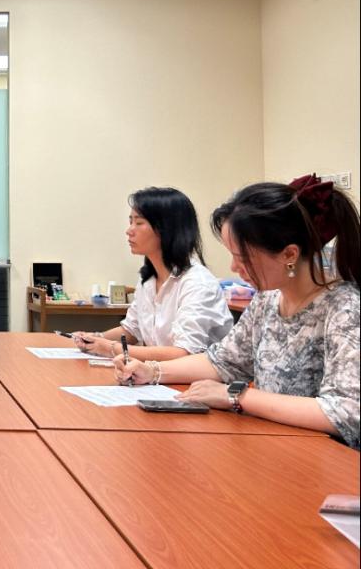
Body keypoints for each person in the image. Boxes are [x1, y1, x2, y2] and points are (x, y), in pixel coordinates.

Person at [115, 175, 360, 449]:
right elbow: (224, 361)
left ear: (289, 255)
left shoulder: (345, 308)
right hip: (276, 446)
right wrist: (152, 371)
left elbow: (346, 412)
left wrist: (236, 396)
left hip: (326, 459)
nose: (234, 267)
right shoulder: (268, 300)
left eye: (242, 257)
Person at [73, 187, 231, 361]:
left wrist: (111, 348)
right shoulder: (148, 279)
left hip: (192, 376)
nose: (129, 230)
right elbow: (131, 331)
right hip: (158, 373)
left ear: (166, 229)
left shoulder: (198, 283)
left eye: (139, 223)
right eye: (130, 222)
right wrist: (95, 338)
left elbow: (184, 353)